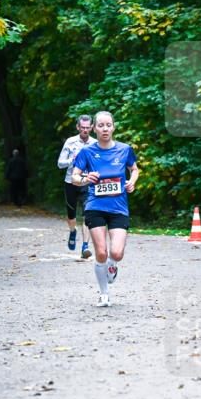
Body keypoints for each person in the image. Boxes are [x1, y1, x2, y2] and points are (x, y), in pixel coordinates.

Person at [71, 111, 138, 307]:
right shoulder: (87, 152)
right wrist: (84, 179)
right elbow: (74, 176)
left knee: (116, 253)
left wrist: (132, 182)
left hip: (118, 207)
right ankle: (104, 294)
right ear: (94, 128)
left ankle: (112, 265)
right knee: (101, 252)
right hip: (95, 206)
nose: (105, 129)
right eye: (100, 125)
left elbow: (134, 169)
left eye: (108, 125)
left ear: (113, 127)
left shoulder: (125, 150)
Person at [57, 115, 95, 258]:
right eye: (82, 127)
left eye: (87, 128)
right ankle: (73, 231)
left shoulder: (95, 143)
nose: (85, 130)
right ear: (78, 127)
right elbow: (60, 164)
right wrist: (72, 160)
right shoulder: (70, 142)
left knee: (88, 213)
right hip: (71, 182)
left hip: (87, 182)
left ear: (91, 127)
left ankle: (85, 246)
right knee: (71, 215)